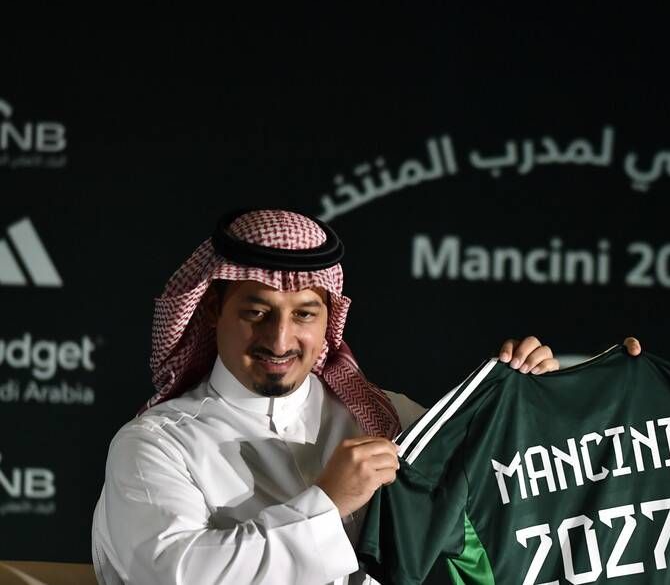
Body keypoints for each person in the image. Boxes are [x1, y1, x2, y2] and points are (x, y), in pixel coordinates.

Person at [90, 209, 563, 585]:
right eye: (257, 313)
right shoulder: (155, 445)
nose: (280, 340)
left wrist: (535, 398)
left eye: (304, 315)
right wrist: (327, 504)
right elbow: (176, 575)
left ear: (328, 319)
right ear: (214, 309)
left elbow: (514, 489)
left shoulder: (385, 417)